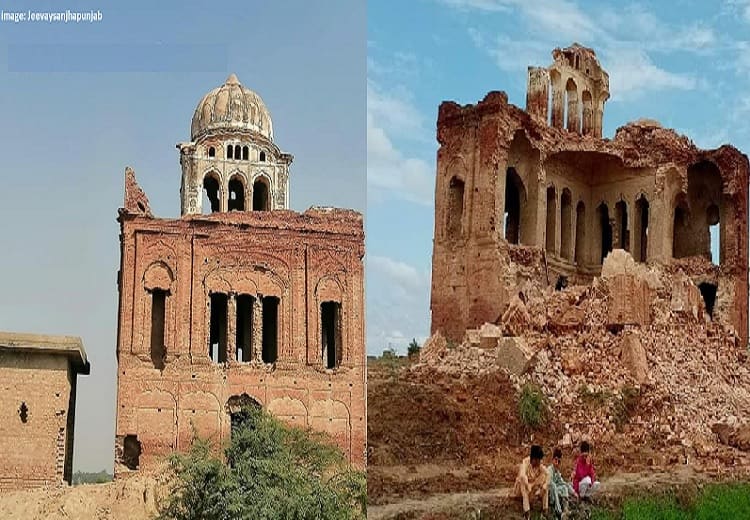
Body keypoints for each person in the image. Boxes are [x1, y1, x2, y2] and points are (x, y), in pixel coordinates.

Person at [513, 444, 549, 519]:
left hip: (531, 490)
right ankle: (527, 511)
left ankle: (545, 509)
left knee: (544, 479)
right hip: (520, 491)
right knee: (523, 481)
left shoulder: (539, 465)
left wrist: (544, 486)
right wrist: (528, 485)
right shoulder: (525, 462)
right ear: (534, 459)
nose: (540, 462)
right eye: (539, 460)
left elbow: (547, 474)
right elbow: (522, 475)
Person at [548, 448, 574, 518]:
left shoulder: (557, 472)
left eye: (558, 461)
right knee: (553, 486)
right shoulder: (550, 469)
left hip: (556, 492)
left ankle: (566, 509)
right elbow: (550, 484)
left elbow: (562, 482)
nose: (557, 463)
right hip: (550, 494)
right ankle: (558, 510)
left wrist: (573, 492)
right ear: (552, 460)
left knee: (564, 487)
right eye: (555, 460)